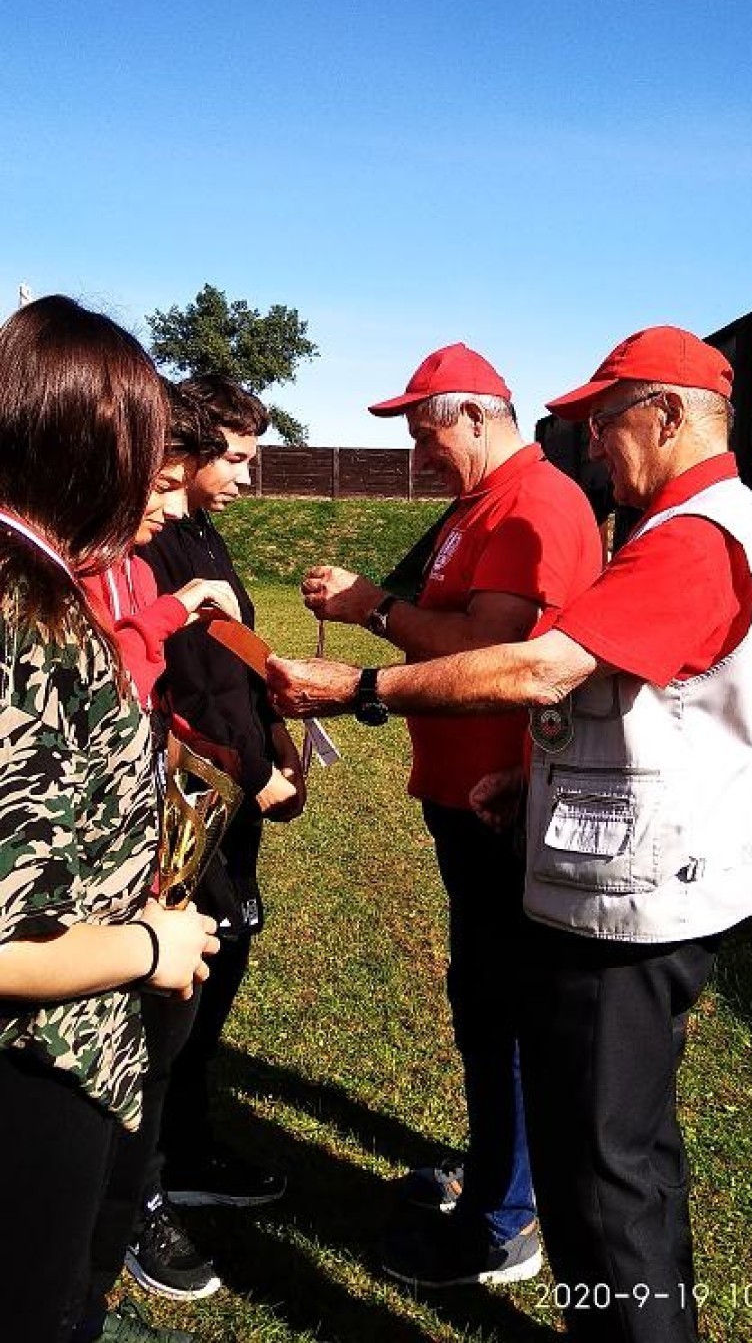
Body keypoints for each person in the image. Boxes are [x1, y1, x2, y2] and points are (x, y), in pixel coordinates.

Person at [266, 325, 752, 1343]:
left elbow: (539, 665)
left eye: (605, 420)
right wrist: (537, 773)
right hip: (625, 878)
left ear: (670, 414)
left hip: (634, 907)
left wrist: (360, 684)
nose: (591, 444)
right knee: (620, 1163)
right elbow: (634, 692)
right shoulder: (684, 521)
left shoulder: (694, 534)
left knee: (602, 1182)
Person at [297, 342, 602, 1287]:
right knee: (487, 1001)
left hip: (500, 805)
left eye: (428, 435)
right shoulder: (484, 503)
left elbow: (491, 648)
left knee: (502, 1006)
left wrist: (372, 610)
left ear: (479, 415)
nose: (420, 458)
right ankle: (501, 1178)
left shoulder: (534, 504)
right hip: (471, 799)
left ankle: (505, 1220)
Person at [0, 296, 218, 1343]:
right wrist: (150, 942)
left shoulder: (42, 588)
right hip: (34, 1060)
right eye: (147, 452)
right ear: (92, 450)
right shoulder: (23, 620)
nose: (159, 483)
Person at [73, 384, 242, 1342]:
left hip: (147, 857)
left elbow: (140, 703)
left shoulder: (130, 561)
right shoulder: (73, 574)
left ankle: (95, 1271)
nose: (174, 507)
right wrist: (171, 614)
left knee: (152, 1052)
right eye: (164, 482)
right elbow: (103, 683)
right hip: (99, 893)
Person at [134, 373, 305, 1300]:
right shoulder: (151, 541)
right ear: (186, 451)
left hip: (234, 801)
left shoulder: (203, 533)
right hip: (185, 807)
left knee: (217, 974)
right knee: (167, 996)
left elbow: (232, 664)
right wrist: (255, 769)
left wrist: (276, 734)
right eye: (233, 458)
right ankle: (139, 1195)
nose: (246, 475)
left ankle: (189, 1150)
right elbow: (173, 695)